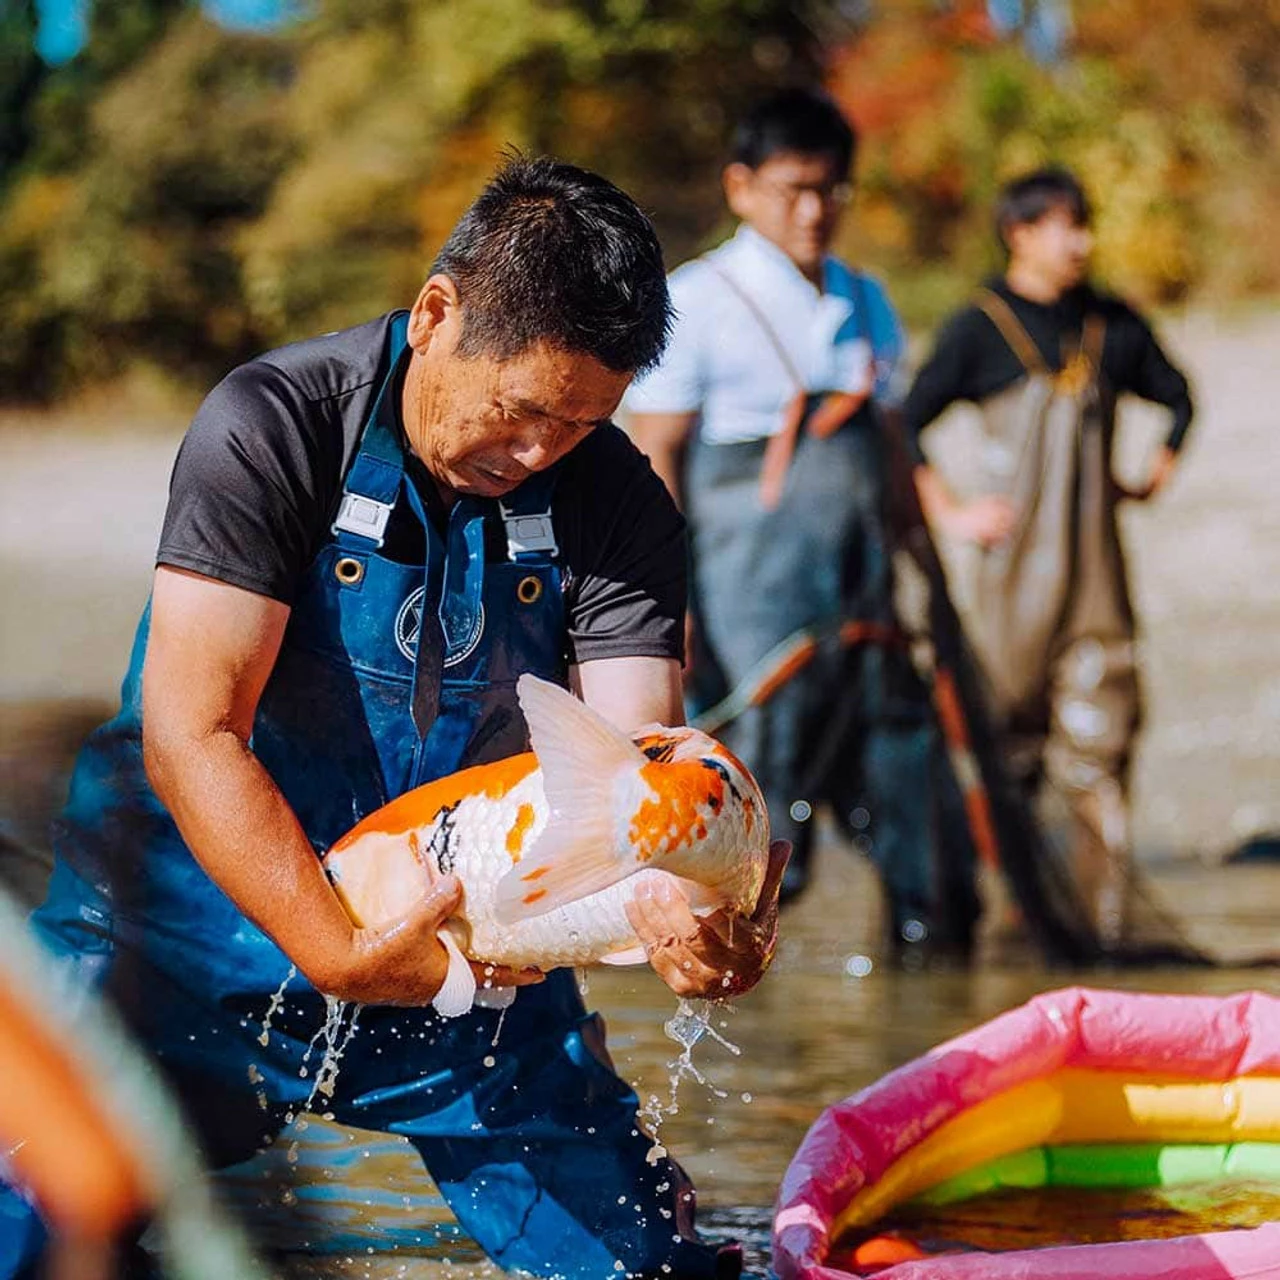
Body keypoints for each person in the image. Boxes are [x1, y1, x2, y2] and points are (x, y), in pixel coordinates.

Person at [0, 158, 786, 1280]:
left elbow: (634, 775)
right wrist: (331, 946)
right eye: (522, 411)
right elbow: (193, 732)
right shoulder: (272, 424)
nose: (538, 455)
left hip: (467, 961)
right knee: (34, 1216)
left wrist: (683, 902)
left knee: (657, 1267)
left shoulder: (617, 502)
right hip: (174, 947)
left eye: (580, 423)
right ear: (434, 314)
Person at [626, 87, 973, 956]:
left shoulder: (868, 298)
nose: (814, 211)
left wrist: (930, 577)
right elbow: (654, 456)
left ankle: (929, 1002)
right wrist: (670, 607)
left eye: (831, 190)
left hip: (865, 605)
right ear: (741, 188)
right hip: (751, 616)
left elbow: (890, 453)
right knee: (754, 836)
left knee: (918, 817)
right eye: (792, 190)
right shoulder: (697, 298)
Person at [904, 166, 1194, 947]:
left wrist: (1149, 477)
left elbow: (1179, 396)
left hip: (1098, 579)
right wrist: (956, 515)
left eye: (1085, 224)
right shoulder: (979, 327)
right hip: (1008, 584)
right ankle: (1011, 921)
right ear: (1020, 233)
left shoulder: (1110, 324)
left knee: (1101, 742)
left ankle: (1096, 924)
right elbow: (906, 424)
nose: (1082, 242)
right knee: (1006, 744)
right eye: (1066, 225)